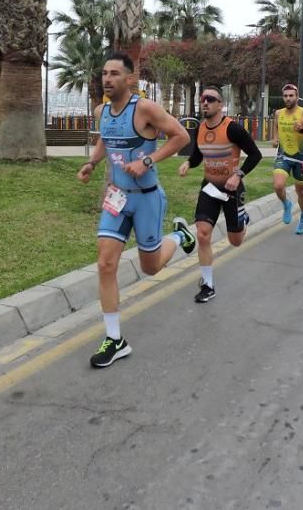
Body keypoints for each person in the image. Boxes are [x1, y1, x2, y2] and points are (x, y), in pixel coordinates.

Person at [77, 51, 197, 368]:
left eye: (115, 73)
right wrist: (91, 162)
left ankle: (180, 235)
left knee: (151, 268)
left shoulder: (144, 109)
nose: (107, 78)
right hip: (117, 198)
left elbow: (181, 136)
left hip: (146, 198)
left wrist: (148, 161)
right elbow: (105, 140)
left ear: (130, 79)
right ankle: (115, 339)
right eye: (104, 73)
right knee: (105, 264)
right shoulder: (101, 110)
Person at [179, 86, 263, 303]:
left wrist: (239, 176)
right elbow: (198, 155)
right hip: (210, 187)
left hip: (232, 188)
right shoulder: (199, 129)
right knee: (203, 233)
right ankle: (208, 285)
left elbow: (255, 154)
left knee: (235, 241)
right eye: (202, 99)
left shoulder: (232, 129)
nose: (204, 102)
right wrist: (188, 163)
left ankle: (242, 220)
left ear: (220, 104)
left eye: (210, 99)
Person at [271, 83, 303, 235]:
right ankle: (286, 204)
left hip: (300, 157)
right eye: (285, 96)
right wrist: (275, 138)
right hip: (283, 155)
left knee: (301, 190)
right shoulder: (279, 113)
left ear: (296, 97)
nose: (288, 98)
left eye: (291, 95)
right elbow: (276, 126)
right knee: (278, 185)